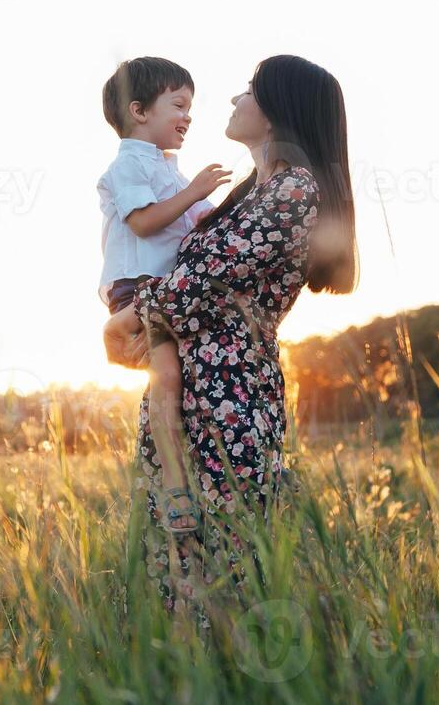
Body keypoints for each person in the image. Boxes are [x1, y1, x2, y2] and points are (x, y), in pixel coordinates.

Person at [103, 54, 358, 617]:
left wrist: (129, 316)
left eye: (249, 89)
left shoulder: (295, 189)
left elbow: (205, 278)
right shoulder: (249, 194)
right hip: (187, 391)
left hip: (229, 393)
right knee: (177, 563)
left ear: (276, 110)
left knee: (228, 563)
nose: (235, 99)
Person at [98, 57, 231, 535]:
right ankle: (175, 490)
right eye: (178, 104)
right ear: (138, 111)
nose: (188, 116)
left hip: (167, 291)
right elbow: (144, 221)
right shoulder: (129, 163)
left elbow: (199, 221)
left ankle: (188, 474)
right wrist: (195, 193)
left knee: (178, 378)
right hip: (138, 286)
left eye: (190, 107)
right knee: (167, 377)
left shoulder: (168, 169)